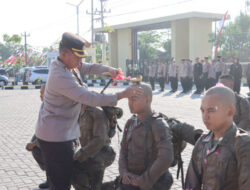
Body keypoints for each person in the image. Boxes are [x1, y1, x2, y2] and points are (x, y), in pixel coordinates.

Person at [35, 32, 143, 190]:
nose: (80, 61)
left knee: (59, 179)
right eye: (77, 57)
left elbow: (88, 67)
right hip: (55, 138)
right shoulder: (61, 75)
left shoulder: (65, 64)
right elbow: (89, 97)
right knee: (61, 184)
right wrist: (122, 95)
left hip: (59, 133)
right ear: (64, 54)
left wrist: (109, 70)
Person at [185, 86, 250, 190]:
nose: (205, 116)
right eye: (203, 110)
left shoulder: (243, 144)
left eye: (211, 110)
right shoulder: (203, 142)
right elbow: (191, 184)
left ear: (230, 111)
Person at [119, 83, 174, 190]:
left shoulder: (158, 124)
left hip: (152, 182)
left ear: (147, 100)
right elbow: (123, 151)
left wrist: (143, 180)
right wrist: (124, 172)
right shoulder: (130, 122)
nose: (130, 103)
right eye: (129, 99)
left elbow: (166, 158)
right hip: (131, 180)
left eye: (134, 99)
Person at [72, 106, 122, 190]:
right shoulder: (77, 111)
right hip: (89, 154)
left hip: (102, 153)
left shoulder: (96, 112)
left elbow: (100, 139)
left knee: (74, 167)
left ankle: (115, 185)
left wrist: (81, 153)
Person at [26, 84, 49, 189]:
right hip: (44, 133)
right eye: (40, 92)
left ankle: (53, 178)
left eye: (42, 93)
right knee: (36, 148)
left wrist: (34, 143)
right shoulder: (44, 103)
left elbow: (50, 132)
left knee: (43, 150)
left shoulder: (51, 106)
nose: (40, 95)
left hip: (56, 137)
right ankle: (50, 176)